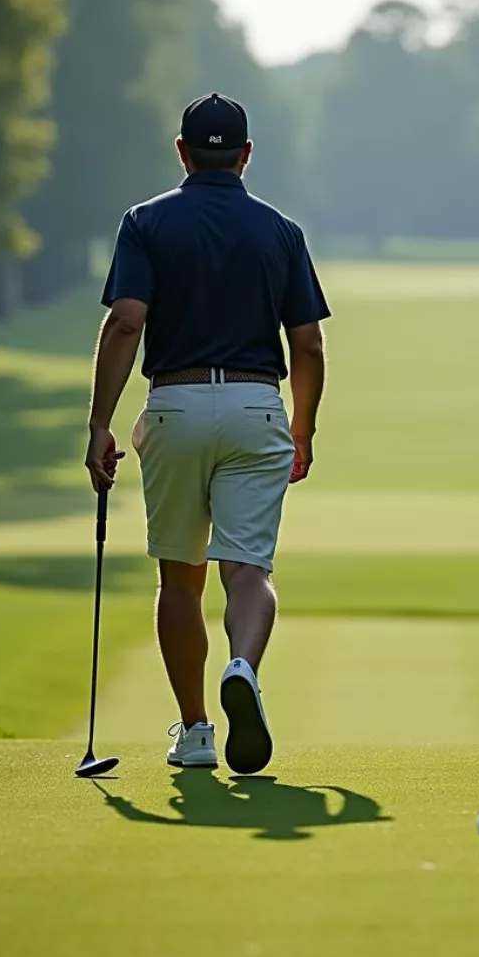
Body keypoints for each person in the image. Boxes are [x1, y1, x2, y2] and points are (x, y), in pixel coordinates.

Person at [85, 93, 329, 775]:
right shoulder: (280, 231)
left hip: (176, 405)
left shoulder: (146, 222)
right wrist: (302, 431)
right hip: (256, 407)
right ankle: (243, 668)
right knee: (247, 570)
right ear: (247, 155)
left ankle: (195, 731)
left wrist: (99, 423)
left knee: (180, 578)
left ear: (182, 150)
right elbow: (306, 344)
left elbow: (127, 322)